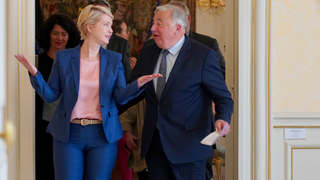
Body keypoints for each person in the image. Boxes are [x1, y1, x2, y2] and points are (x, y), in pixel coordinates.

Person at [15, 5, 161, 179]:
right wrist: (35, 74)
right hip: (68, 134)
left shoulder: (114, 60)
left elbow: (120, 97)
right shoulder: (64, 57)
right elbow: (50, 95)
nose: (110, 30)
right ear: (90, 27)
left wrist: (137, 84)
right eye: (106, 24)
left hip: (103, 135)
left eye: (111, 25)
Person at [123, 4, 233, 180]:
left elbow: (223, 97)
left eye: (159, 23)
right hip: (155, 146)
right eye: (153, 23)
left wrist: (222, 118)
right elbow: (136, 90)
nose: (152, 28)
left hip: (189, 146)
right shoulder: (148, 51)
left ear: (178, 28)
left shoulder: (203, 55)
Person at [35, 13, 80, 180]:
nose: (59, 38)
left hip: (70, 127)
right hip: (43, 127)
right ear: (48, 35)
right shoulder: (37, 62)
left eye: (64, 34)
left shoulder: (75, 62)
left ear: (70, 37)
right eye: (55, 33)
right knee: (45, 170)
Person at [110, 19, 136, 180]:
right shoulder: (120, 50)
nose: (128, 34)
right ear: (117, 34)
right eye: (125, 31)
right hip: (117, 111)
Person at [89, 0, 132, 83]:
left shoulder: (121, 44)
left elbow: (126, 77)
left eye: (104, 13)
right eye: (96, 14)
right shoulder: (78, 41)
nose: (100, 18)